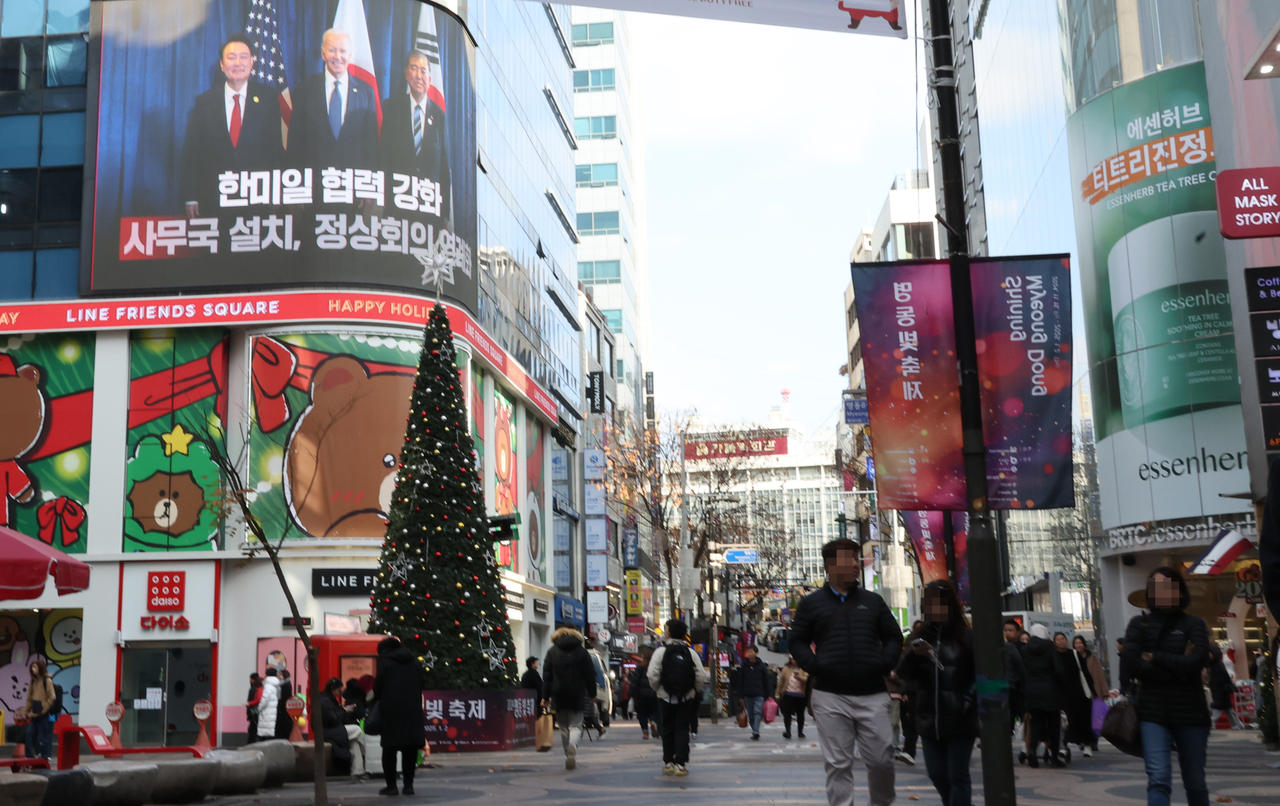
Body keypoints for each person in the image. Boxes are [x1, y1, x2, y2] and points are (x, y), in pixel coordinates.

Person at [789, 538, 902, 806]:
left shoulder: (873, 602)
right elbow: (796, 641)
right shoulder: (811, 603)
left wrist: (883, 663)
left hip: (873, 693)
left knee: (882, 760)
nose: (855, 564)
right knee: (838, 764)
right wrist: (816, 665)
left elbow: (894, 636)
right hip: (829, 695)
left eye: (856, 558)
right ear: (830, 565)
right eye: (848, 559)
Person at [1122, 567, 1211, 806]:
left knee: (1195, 781)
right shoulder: (1138, 624)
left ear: (1179, 591)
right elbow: (1132, 664)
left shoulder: (1194, 624)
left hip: (1191, 713)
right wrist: (1179, 668)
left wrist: (1155, 657)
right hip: (1152, 713)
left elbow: (1197, 662)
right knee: (1159, 778)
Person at [179, 34, 284, 218]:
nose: (238, 63)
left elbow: (274, 151)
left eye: (243, 57)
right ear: (221, 64)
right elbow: (193, 152)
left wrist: (276, 194)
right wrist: (191, 197)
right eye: (231, 57)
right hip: (213, 197)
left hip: (257, 197)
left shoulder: (268, 98)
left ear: (252, 62)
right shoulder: (205, 102)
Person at [895, 581, 978, 806]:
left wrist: (967, 703)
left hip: (961, 719)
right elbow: (902, 673)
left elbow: (979, 677)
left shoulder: (967, 637)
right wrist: (914, 654)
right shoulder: (920, 636)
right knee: (937, 775)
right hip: (929, 718)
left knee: (957, 775)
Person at [288, 29, 378, 171]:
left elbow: (371, 146)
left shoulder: (366, 93)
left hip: (353, 180)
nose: (337, 56)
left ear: (350, 55)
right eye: (332, 50)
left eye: (343, 51)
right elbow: (295, 141)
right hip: (313, 180)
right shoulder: (304, 90)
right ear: (323, 54)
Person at [380, 50, 452, 221]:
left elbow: (444, 169)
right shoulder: (392, 108)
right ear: (406, 74)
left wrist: (444, 217)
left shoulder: (440, 116)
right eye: (414, 69)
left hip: (429, 210)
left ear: (430, 80)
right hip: (397, 206)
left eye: (423, 71)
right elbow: (384, 157)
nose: (419, 75)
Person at [648, 619, 708, 777]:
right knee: (682, 729)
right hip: (685, 698)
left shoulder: (660, 652)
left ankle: (668, 763)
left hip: (665, 697)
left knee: (667, 728)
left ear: (668, 633)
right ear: (684, 635)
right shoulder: (690, 653)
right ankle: (681, 764)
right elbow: (701, 675)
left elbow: (652, 675)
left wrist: (659, 689)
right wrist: (692, 690)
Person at [374, 636, 426, 796]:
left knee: (389, 750)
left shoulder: (385, 662)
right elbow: (421, 684)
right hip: (411, 711)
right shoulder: (414, 662)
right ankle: (408, 786)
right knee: (410, 750)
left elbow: (378, 687)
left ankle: (391, 786)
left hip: (391, 712)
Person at [543, 627, 597, 770]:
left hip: (557, 693)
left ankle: (568, 752)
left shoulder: (552, 651)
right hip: (577, 692)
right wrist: (592, 693)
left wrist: (545, 697)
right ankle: (573, 746)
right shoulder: (582, 652)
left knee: (563, 727)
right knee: (576, 724)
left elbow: (547, 676)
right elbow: (590, 674)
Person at [1021, 624, 1066, 768]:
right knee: (1054, 723)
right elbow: (1059, 670)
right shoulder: (1050, 647)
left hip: (1032, 690)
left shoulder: (1025, 649)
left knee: (1036, 722)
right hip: (1050, 690)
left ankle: (1032, 750)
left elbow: (1022, 671)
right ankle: (1054, 756)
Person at [1066, 636, 1107, 756]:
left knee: (1093, 716)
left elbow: (1100, 674)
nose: (1078, 645)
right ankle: (1085, 740)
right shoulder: (1072, 657)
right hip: (1079, 692)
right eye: (1076, 643)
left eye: (1080, 643)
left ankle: (1093, 740)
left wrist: (1104, 691)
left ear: (1084, 644)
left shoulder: (1092, 657)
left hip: (1093, 691)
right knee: (1083, 717)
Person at [320, 678, 357, 778]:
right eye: (339, 691)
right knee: (357, 731)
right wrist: (345, 711)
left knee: (355, 742)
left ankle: (357, 769)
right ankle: (365, 755)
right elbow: (333, 718)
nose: (339, 694)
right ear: (333, 688)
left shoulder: (328, 699)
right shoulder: (326, 701)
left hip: (331, 729)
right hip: (330, 731)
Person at [20, 659, 55, 760]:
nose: (33, 669)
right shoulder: (33, 681)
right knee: (29, 734)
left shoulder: (47, 680)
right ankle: (29, 755)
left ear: (40, 668)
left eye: (35, 667)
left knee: (44, 736)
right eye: (32, 667)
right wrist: (26, 711)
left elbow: (51, 696)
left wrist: (44, 709)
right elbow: (30, 698)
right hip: (34, 713)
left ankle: (45, 756)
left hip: (43, 713)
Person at [1207, 647, 1244, 730]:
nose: (1209, 655)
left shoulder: (1216, 664)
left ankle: (1211, 722)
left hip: (1219, 690)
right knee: (1227, 709)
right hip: (1220, 689)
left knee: (1218, 707)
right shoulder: (1215, 664)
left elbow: (1223, 677)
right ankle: (1236, 724)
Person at [738, 645, 771, 740]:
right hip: (747, 694)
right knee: (751, 715)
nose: (750, 653)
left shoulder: (761, 666)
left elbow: (766, 680)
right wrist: (741, 695)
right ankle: (754, 730)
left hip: (759, 693)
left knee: (757, 712)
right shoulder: (744, 665)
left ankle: (756, 731)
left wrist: (769, 694)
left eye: (751, 651)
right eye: (748, 652)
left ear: (756, 653)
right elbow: (740, 681)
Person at [775, 656, 809, 740]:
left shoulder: (804, 668)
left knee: (800, 714)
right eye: (793, 659)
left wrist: (800, 677)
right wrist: (777, 693)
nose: (794, 661)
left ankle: (800, 732)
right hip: (788, 694)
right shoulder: (786, 668)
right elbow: (781, 682)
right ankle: (788, 731)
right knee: (787, 714)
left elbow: (807, 679)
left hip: (800, 695)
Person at [1003, 619, 1027, 735]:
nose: (1007, 633)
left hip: (1020, 689)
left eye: (1010, 630)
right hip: (1009, 687)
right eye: (1006, 630)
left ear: (1018, 632)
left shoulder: (1023, 648)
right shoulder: (1002, 647)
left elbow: (1022, 669)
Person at [584, 637, 611, 736]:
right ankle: (599, 728)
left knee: (583, 713)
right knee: (587, 713)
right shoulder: (594, 658)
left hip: (582, 690)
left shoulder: (587, 657)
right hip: (590, 690)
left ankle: (575, 737)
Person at [630, 646, 659, 739]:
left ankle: (645, 732)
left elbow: (634, 681)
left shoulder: (640, 667)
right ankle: (653, 722)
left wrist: (631, 692)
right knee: (654, 711)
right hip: (654, 693)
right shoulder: (656, 667)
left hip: (641, 695)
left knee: (641, 713)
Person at [256, 667, 282, 743]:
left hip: (266, 713)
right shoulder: (277, 686)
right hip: (273, 712)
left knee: (264, 735)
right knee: (270, 733)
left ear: (267, 675)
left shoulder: (268, 686)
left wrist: (259, 708)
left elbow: (265, 699)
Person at [275, 668, 294, 738]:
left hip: (283, 710)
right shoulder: (285, 684)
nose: (279, 676)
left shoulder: (284, 685)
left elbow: (283, 698)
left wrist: (279, 707)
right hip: (284, 710)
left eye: (280, 674)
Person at [245, 673, 263, 743]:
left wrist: (249, 704)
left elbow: (256, 700)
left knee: (252, 729)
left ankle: (251, 743)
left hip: (253, 711)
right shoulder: (261, 689)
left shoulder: (254, 689)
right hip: (257, 712)